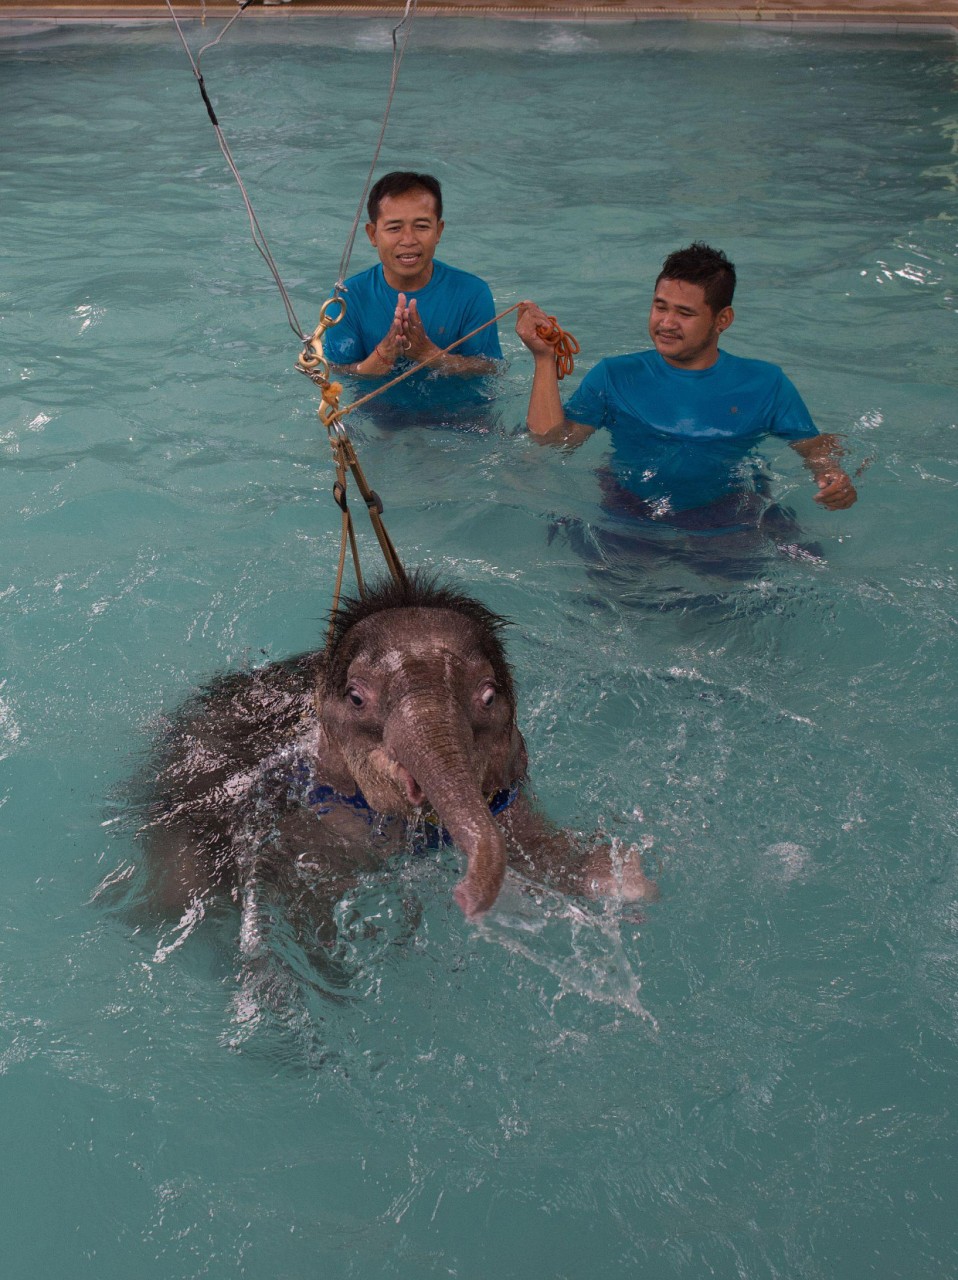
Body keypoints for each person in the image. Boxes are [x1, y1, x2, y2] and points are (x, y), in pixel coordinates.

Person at [516, 243, 857, 534]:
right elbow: (552, 443)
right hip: (631, 507)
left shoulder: (765, 384)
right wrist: (544, 360)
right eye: (660, 306)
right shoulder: (615, 375)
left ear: (722, 320)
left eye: (684, 313)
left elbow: (814, 447)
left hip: (729, 511)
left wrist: (832, 476)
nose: (666, 322)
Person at [324, 171, 502, 380]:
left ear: (438, 231)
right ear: (372, 234)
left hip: (462, 412)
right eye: (394, 228)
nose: (408, 239)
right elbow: (337, 373)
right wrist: (384, 354)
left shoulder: (472, 293)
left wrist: (428, 354)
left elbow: (490, 369)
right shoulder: (348, 299)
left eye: (421, 226)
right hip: (377, 412)